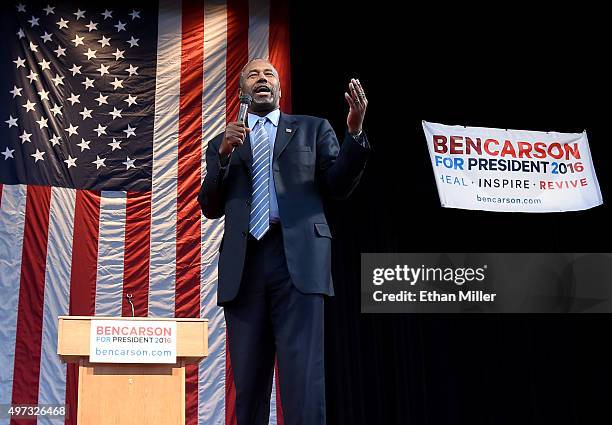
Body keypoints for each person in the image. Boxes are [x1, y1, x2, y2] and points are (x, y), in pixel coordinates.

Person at [198, 58, 370, 425]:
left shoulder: (312, 129)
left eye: (269, 74)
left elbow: (338, 186)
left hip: (299, 261)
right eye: (253, 75)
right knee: (248, 385)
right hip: (244, 266)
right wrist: (225, 159)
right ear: (242, 89)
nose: (262, 79)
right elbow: (210, 206)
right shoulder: (223, 143)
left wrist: (353, 134)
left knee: (303, 380)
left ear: (280, 87)